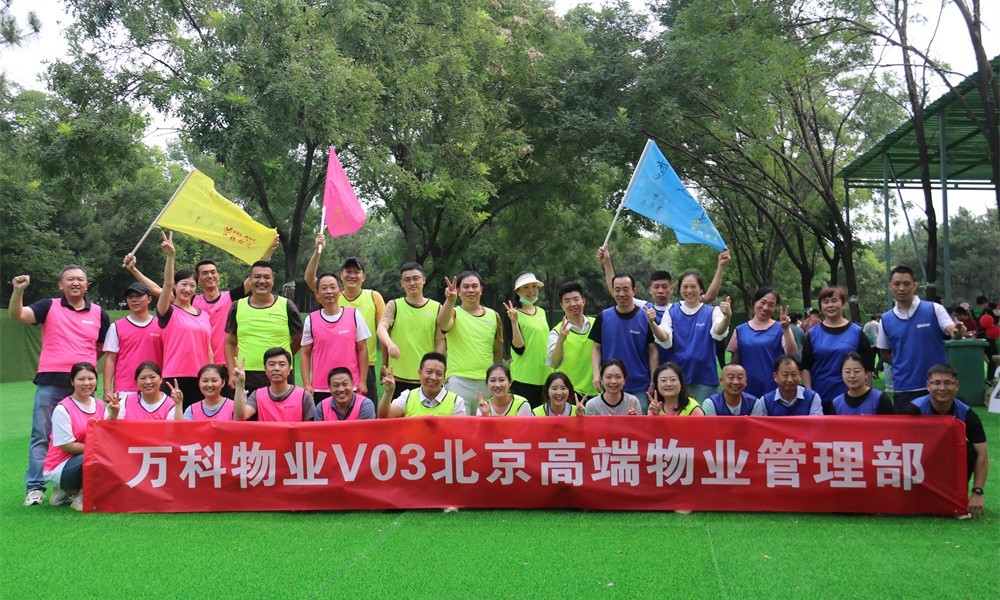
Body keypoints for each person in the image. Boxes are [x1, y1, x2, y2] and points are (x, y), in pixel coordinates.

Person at [9, 266, 110, 507]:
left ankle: (68, 485)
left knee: (87, 435)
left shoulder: (99, 313)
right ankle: (35, 488)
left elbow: (101, 347)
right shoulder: (48, 306)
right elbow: (18, 315)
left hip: (84, 385)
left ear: (87, 284)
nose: (75, 283)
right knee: (41, 435)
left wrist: (83, 371)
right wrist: (18, 291)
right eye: (70, 279)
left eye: (80, 279)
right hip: (51, 382)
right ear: (60, 285)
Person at [123, 236, 278, 381]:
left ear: (218, 276)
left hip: (227, 364)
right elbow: (159, 290)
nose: (209, 276)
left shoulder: (230, 298)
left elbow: (253, 278)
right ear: (199, 280)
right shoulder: (191, 302)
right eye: (204, 273)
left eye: (213, 272)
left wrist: (266, 254)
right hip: (201, 367)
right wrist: (133, 270)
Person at [597, 246, 730, 365]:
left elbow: (709, 296)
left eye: (664, 286)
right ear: (650, 290)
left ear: (671, 289)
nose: (660, 291)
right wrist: (607, 262)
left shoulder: (679, 309)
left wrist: (721, 266)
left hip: (675, 368)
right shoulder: (645, 308)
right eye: (656, 287)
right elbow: (617, 292)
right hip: (651, 368)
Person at [900, 364, 988, 519]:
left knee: (969, 449)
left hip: (947, 461)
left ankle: (956, 498)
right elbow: (900, 448)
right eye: (936, 383)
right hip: (921, 461)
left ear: (956, 386)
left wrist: (978, 492)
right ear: (928, 386)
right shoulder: (914, 410)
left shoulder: (967, 414)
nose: (942, 388)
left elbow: (982, 455)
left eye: (948, 383)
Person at [876, 265, 965, 411]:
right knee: (906, 426)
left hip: (937, 387)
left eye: (906, 283)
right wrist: (903, 365)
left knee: (939, 426)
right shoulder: (886, 319)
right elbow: (884, 353)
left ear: (914, 285)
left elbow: (951, 330)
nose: (901, 288)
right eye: (897, 284)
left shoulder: (934, 309)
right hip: (904, 387)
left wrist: (957, 332)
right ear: (890, 286)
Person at [305, 236, 385, 398]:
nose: (352, 276)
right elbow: (309, 278)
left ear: (363, 277)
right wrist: (317, 251)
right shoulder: (333, 295)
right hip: (337, 365)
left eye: (357, 272)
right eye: (348, 272)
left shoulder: (373, 297)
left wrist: (385, 363)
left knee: (365, 409)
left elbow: (382, 333)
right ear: (341, 276)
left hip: (365, 364)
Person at [589, 273, 669, 413]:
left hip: (640, 385)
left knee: (639, 424)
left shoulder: (646, 317)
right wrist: (596, 374)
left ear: (634, 291)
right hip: (611, 384)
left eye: (626, 289)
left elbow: (653, 351)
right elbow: (596, 348)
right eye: (617, 290)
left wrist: (653, 381)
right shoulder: (604, 316)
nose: (621, 294)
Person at [225, 260, 304, 393]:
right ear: (250, 280)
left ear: (273, 280)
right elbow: (230, 343)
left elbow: (299, 338)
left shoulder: (287, 306)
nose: (262, 281)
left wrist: (282, 356)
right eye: (257, 277)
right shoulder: (237, 306)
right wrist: (232, 371)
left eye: (266, 277)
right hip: (247, 375)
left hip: (280, 373)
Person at [156, 231, 213, 408]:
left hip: (201, 378)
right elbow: (166, 284)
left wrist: (211, 374)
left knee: (198, 420)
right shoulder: (168, 311)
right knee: (175, 420)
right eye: (184, 284)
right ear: (175, 286)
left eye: (192, 285)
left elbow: (208, 348)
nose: (187, 289)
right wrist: (171, 257)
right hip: (175, 377)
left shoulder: (204, 315)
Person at [42, 362, 106, 512]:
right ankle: (81, 497)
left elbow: (107, 433)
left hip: (82, 460)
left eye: (91, 378)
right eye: (81, 379)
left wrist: (114, 414)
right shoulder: (62, 409)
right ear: (72, 381)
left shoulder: (100, 405)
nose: (87, 383)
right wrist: (98, 450)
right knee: (98, 455)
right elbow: (67, 446)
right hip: (59, 467)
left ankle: (66, 490)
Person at [438, 271, 503, 415]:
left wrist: (499, 379)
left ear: (481, 289)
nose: (471, 290)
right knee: (461, 428)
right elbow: (442, 323)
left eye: (474, 286)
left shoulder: (494, 316)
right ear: (458, 290)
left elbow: (497, 351)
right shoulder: (453, 313)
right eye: (466, 287)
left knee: (485, 427)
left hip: (487, 383)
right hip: (458, 382)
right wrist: (450, 300)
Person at [800, 286, 875, 412]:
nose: (830, 305)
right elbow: (805, 367)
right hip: (820, 399)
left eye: (834, 301)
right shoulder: (812, 334)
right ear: (821, 306)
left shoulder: (857, 332)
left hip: (851, 399)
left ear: (843, 304)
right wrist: (809, 394)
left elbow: (867, 368)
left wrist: (866, 396)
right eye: (825, 302)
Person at [300, 272, 371, 404]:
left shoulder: (354, 315)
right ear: (317, 294)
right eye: (324, 288)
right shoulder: (311, 319)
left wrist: (362, 381)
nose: (329, 291)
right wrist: (307, 384)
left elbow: (362, 349)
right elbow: (305, 353)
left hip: (350, 386)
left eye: (333, 287)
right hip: (321, 388)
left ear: (340, 291)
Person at [377, 262, 445, 396]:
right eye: (407, 280)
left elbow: (440, 341)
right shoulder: (394, 305)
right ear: (402, 283)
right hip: (397, 377)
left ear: (423, 280)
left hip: (426, 378)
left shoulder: (437, 307)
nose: (412, 283)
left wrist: (438, 366)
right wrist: (390, 344)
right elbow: (381, 328)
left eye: (416, 278)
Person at [668, 271, 732, 402]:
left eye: (693, 286)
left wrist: (727, 317)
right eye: (685, 287)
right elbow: (664, 336)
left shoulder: (712, 311)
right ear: (679, 289)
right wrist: (652, 323)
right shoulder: (672, 311)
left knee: (704, 414)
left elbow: (718, 331)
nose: (689, 290)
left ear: (701, 289)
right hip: (678, 378)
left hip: (705, 379)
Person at [727, 287, 797, 398]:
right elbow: (734, 363)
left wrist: (786, 329)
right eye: (763, 302)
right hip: (746, 391)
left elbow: (792, 354)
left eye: (771, 305)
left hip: (774, 391)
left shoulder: (781, 329)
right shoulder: (740, 330)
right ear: (755, 302)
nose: (765, 308)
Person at [102, 282, 162, 401]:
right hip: (125, 389)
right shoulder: (116, 327)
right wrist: (107, 389)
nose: (134, 300)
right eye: (130, 297)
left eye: (139, 296)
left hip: (155, 387)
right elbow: (110, 359)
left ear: (149, 299)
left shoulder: (161, 326)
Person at [504, 272, 552, 404]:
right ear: (517, 291)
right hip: (524, 378)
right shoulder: (512, 314)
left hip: (545, 376)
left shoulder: (541, 312)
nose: (531, 291)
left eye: (534, 286)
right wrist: (514, 322)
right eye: (525, 287)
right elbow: (519, 349)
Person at [233, 349, 316, 421]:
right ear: (265, 369)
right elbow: (241, 416)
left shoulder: (304, 395)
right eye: (272, 364)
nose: (276, 368)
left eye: (282, 364)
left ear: (289, 370)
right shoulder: (257, 395)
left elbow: (310, 428)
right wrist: (240, 384)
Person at [378, 352, 466, 417]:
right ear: (420, 373)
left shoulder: (456, 402)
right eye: (429, 372)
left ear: (444, 376)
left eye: (439, 374)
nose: (433, 377)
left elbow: (459, 432)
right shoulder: (407, 396)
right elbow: (384, 416)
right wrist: (388, 392)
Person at [105, 361, 182, 420]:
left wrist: (179, 404)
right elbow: (109, 428)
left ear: (161, 379)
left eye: (152, 377)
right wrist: (114, 413)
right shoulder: (126, 401)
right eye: (143, 378)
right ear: (137, 382)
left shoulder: (170, 405)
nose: (148, 382)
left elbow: (177, 430)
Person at [829, 353, 893, 415]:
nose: (852, 375)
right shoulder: (837, 403)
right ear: (842, 374)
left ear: (866, 373)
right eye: (847, 372)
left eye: (857, 371)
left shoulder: (880, 399)